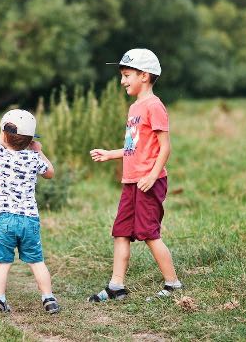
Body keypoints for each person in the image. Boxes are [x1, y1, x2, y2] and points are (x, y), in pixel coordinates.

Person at [87, 48, 182, 302]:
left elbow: (165, 147)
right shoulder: (134, 108)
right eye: (122, 75)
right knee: (121, 231)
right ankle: (116, 286)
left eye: (127, 75)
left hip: (149, 181)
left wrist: (152, 176)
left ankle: (173, 284)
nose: (122, 81)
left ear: (144, 75)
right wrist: (110, 154)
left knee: (149, 233)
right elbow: (133, 147)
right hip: (131, 181)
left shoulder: (154, 106)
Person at [0, 100, 60, 314]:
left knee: (3, 263)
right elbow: (50, 172)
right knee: (37, 262)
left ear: (3, 135)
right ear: (31, 140)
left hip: (4, 219)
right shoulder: (33, 158)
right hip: (29, 219)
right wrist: (39, 152)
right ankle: (48, 299)